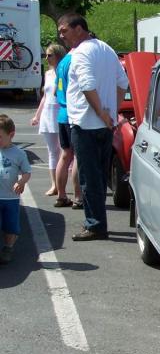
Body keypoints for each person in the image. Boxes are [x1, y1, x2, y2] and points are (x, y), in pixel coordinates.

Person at [57, 13, 128, 241]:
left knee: (90, 177)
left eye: (64, 30)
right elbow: (122, 83)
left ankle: (95, 225)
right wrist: (111, 115)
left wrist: (102, 113)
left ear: (79, 29)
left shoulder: (79, 53)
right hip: (103, 126)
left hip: (85, 124)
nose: (61, 36)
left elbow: (87, 86)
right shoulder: (106, 48)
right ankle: (97, 223)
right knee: (97, 176)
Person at [31, 44, 66, 196]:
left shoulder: (64, 71)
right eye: (46, 55)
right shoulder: (48, 74)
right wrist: (37, 115)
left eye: (49, 55)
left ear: (58, 55)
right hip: (47, 115)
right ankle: (54, 185)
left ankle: (63, 185)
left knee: (66, 152)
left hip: (61, 114)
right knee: (52, 152)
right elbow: (45, 96)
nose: (46, 58)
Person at [0, 114, 31, 264]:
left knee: (11, 226)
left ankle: (8, 247)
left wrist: (22, 182)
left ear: (11, 135)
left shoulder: (18, 153)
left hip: (11, 197)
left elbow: (26, 172)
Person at [54, 47, 82, 209]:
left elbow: (56, 90)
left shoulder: (62, 62)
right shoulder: (76, 60)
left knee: (65, 155)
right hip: (73, 114)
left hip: (62, 114)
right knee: (78, 156)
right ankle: (78, 197)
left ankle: (61, 195)